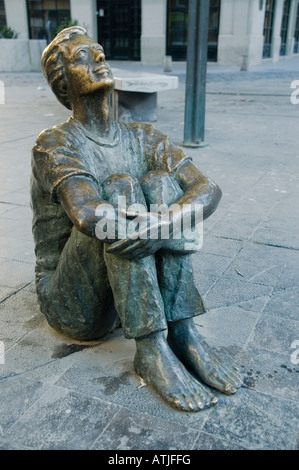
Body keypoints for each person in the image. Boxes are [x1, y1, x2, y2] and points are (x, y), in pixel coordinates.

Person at [31, 26, 242, 412]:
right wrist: (154, 225)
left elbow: (207, 189)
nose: (98, 58)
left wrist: (164, 225)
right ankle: (150, 347)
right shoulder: (54, 143)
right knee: (120, 189)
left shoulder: (144, 136)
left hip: (120, 289)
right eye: (82, 57)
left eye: (98, 51)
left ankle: (182, 331)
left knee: (163, 184)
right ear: (64, 85)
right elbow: (86, 213)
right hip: (73, 303)